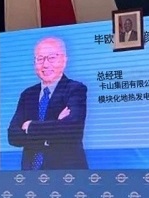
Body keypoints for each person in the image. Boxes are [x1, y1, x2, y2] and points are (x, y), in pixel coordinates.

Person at [7, 37, 88, 170]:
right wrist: (56, 125)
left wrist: (30, 127)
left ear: (64, 60)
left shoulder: (75, 89)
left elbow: (72, 130)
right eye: (40, 59)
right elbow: (13, 136)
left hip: (67, 174)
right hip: (30, 175)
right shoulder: (27, 94)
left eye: (51, 58)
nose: (45, 64)